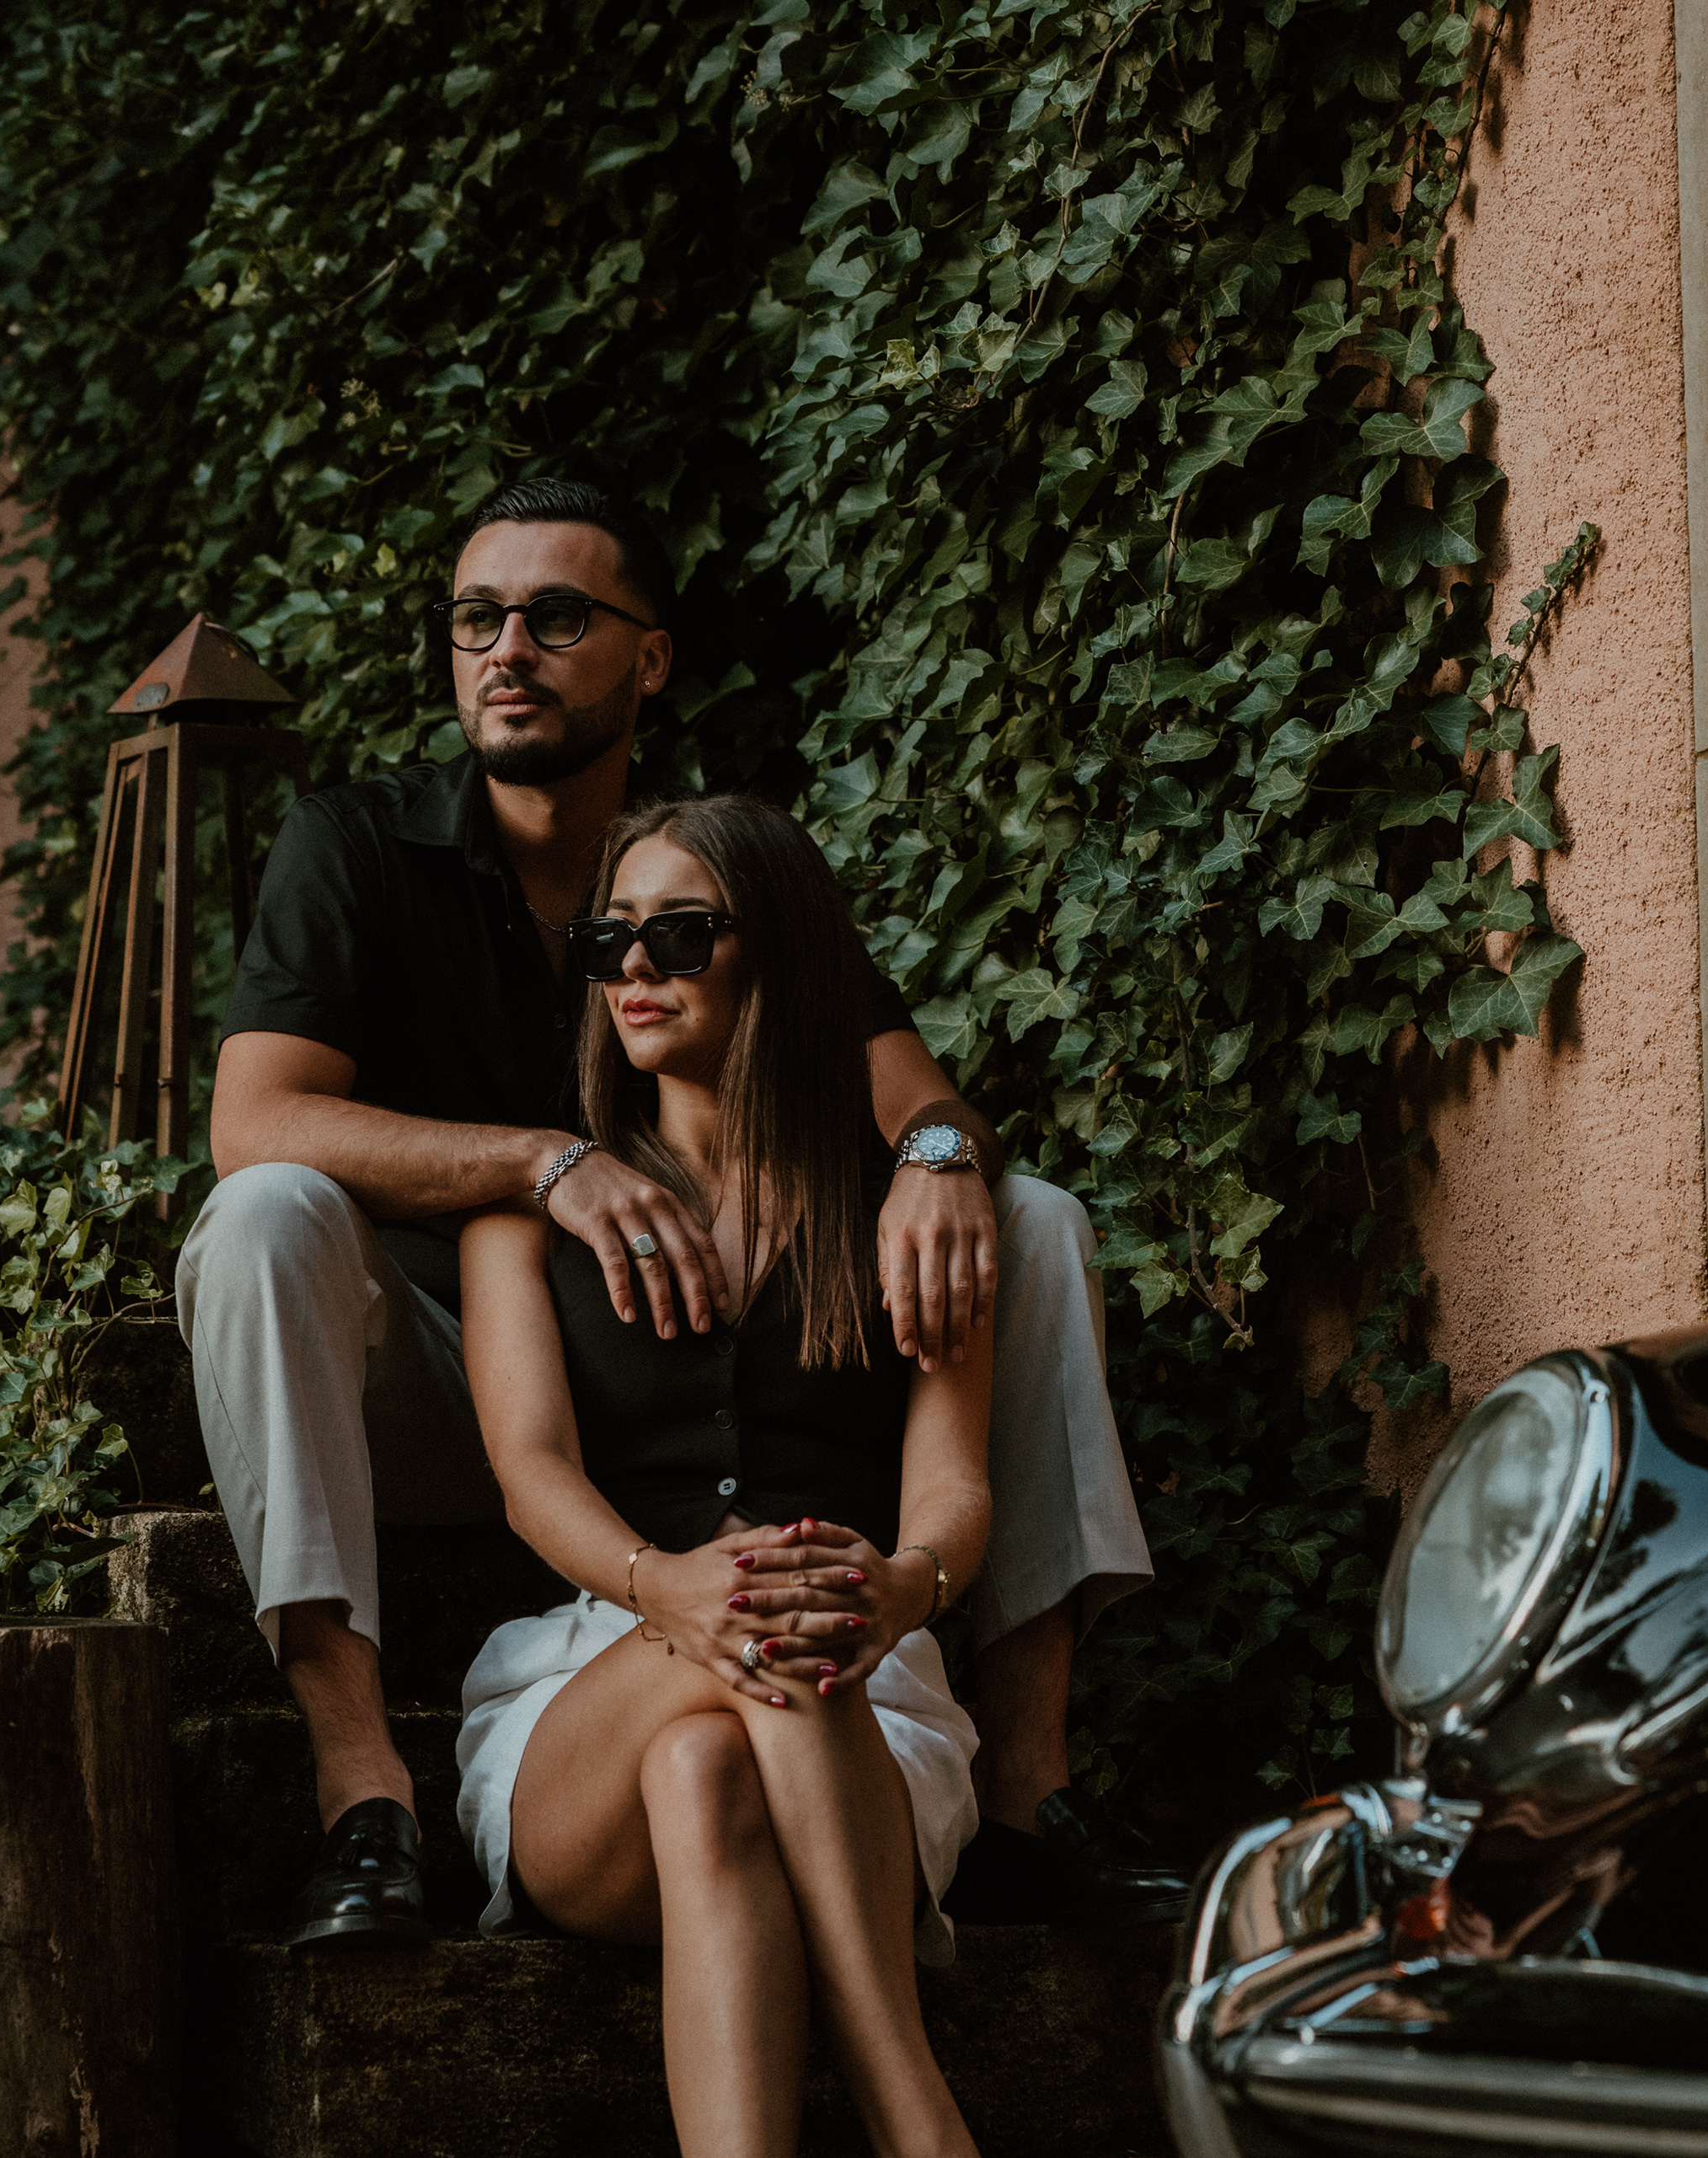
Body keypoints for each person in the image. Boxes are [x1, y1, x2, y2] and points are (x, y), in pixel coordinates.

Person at [178, 477, 1184, 1944]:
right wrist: (547, 1162)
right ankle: (364, 1794)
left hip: (659, 1378)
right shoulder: (358, 846)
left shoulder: (701, 862)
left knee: (1028, 1215)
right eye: (476, 618)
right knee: (264, 1214)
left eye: (554, 616)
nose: (506, 649)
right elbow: (254, 1122)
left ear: (650, 657)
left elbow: (924, 1100)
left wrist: (935, 1157)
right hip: (428, 1370)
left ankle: (1033, 1789)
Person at [455, 794, 983, 2155]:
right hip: (598, 1680)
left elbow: (955, 1489)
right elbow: (530, 1475)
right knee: (758, 1615)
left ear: (779, 950)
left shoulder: (905, 1214)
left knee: (711, 1760)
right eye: (610, 939)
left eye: (681, 933)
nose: (635, 966)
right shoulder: (523, 1226)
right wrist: (667, 1585)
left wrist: (905, 1585)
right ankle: (916, 2114)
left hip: (860, 1686)